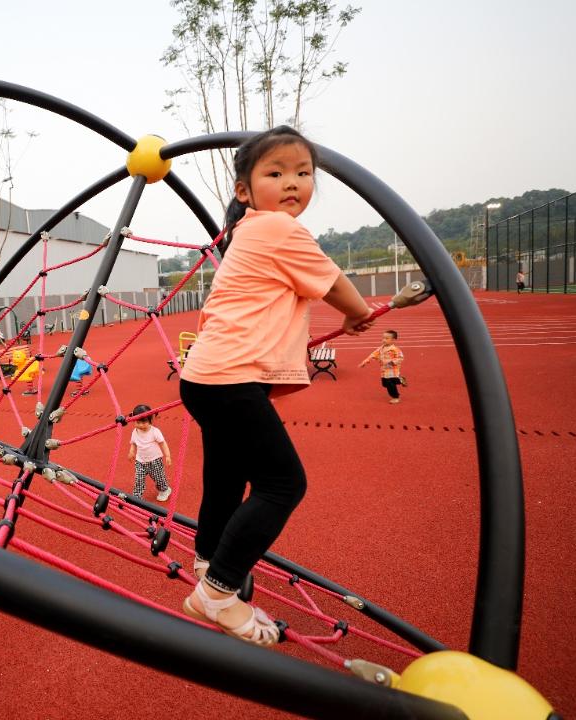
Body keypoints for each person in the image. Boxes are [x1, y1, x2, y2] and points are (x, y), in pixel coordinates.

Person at [178, 126, 375, 646]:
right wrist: (357, 313)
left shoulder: (248, 230)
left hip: (209, 378)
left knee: (226, 479)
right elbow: (335, 284)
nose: (293, 183)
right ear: (245, 190)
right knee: (283, 485)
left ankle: (207, 564)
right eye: (276, 173)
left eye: (303, 173)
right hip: (231, 378)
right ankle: (217, 593)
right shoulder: (278, 230)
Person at [127, 404, 172, 502]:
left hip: (155, 460)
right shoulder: (135, 432)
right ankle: (137, 497)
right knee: (138, 479)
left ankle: (165, 490)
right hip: (140, 461)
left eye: (144, 422)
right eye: (138, 422)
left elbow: (163, 443)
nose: (141, 425)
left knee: (159, 478)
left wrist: (167, 455)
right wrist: (131, 451)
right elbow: (134, 443)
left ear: (151, 420)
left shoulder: (155, 432)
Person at [359, 330, 406, 404]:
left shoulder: (395, 350)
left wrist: (391, 362)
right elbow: (373, 354)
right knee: (384, 384)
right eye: (383, 338)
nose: (384, 340)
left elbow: (400, 358)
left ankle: (395, 397)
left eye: (387, 338)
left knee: (390, 383)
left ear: (393, 340)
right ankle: (400, 379)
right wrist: (365, 361)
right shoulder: (381, 348)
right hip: (384, 370)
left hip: (393, 370)